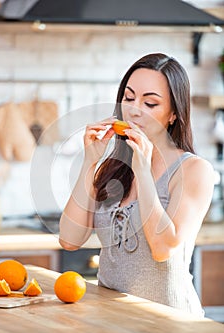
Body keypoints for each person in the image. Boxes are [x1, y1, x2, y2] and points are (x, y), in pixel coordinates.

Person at [59, 53, 214, 316]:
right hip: (112, 321)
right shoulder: (113, 169)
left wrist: (143, 168)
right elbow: (69, 239)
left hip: (169, 324)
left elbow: (163, 248)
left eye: (150, 103)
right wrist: (90, 162)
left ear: (174, 114)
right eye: (129, 98)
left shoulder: (194, 170)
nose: (133, 109)